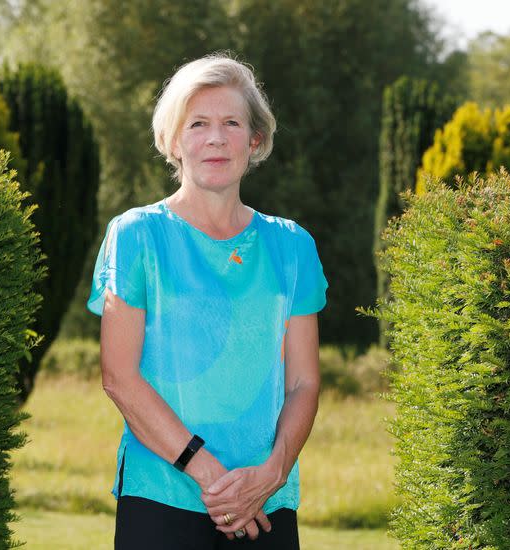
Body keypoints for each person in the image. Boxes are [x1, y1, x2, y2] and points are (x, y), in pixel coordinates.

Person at [86, 52, 328, 549]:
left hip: (265, 502)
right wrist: (214, 479)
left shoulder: (292, 246)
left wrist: (271, 474)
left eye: (231, 123)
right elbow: (119, 378)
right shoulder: (136, 235)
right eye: (197, 123)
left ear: (254, 139)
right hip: (162, 497)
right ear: (174, 141)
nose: (215, 137)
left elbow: (303, 381)